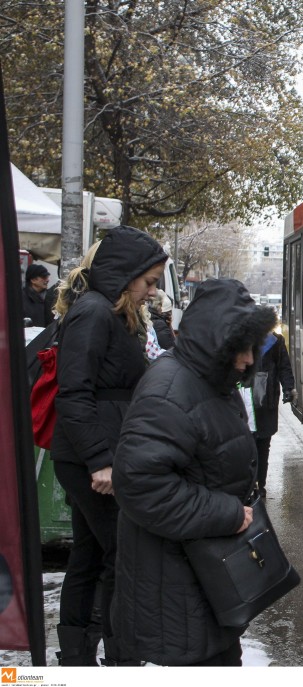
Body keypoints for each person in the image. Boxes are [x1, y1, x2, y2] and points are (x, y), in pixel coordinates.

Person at [111, 278, 278, 667]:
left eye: (253, 347)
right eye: (241, 347)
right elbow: (139, 485)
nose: (250, 359)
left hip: (198, 580)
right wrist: (228, 513)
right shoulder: (170, 390)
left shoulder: (210, 380)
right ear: (215, 341)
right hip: (176, 592)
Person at [49, 225, 168, 666]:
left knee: (90, 554)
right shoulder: (94, 313)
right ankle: (119, 659)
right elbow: (74, 393)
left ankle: (79, 659)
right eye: (149, 281)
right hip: (91, 459)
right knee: (120, 557)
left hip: (91, 454)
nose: (152, 292)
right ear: (125, 273)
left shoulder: (106, 312)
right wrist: (100, 461)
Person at [252, 329, 295, 497]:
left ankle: (259, 484)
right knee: (256, 445)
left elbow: (284, 368)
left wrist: (288, 389)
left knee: (262, 444)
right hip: (251, 402)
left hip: (266, 402)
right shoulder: (242, 339)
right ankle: (254, 484)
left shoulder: (276, 342)